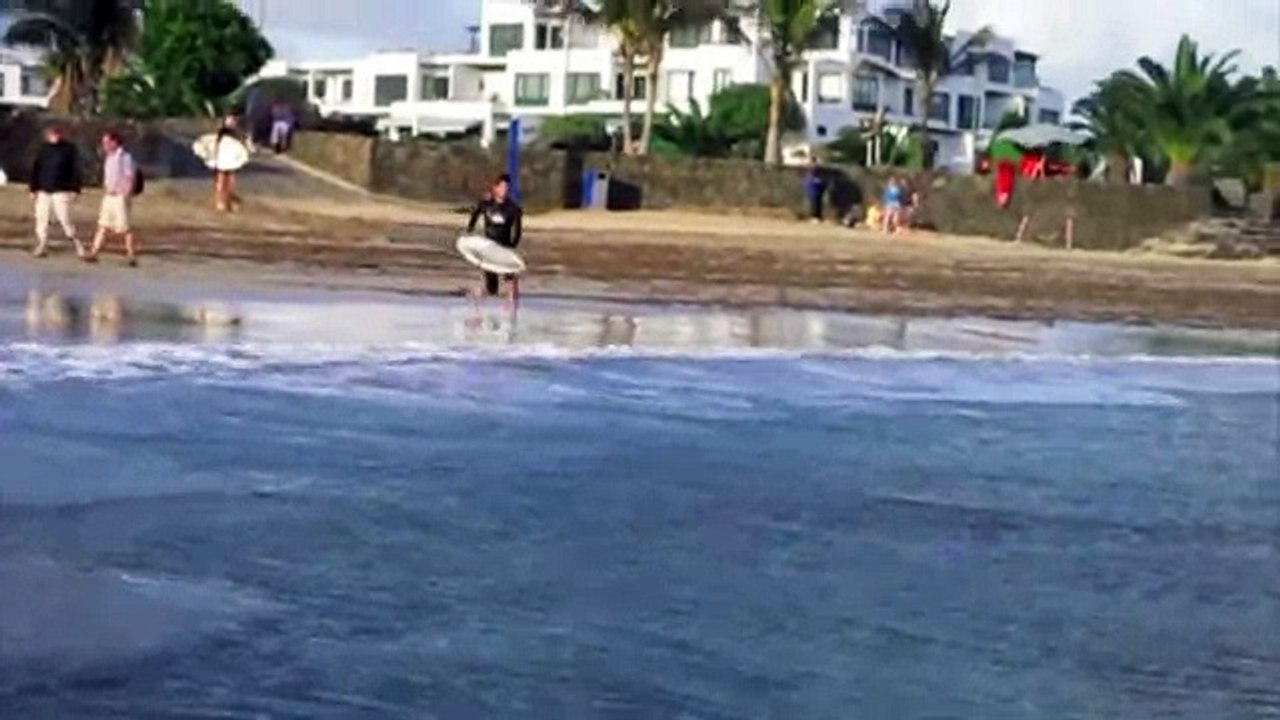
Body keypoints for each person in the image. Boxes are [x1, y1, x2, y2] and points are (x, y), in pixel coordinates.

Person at [466, 174, 523, 311]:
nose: (505, 190)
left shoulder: (513, 208)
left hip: (504, 249)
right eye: (502, 187)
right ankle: (475, 308)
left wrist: (511, 249)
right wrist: (470, 235)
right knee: (491, 289)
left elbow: (518, 232)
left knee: (510, 282)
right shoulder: (485, 205)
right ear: (495, 188)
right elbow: (472, 220)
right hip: (488, 250)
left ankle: (512, 313)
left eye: (507, 187)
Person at [28, 125, 84, 258]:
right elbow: (36, 168)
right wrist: (33, 188)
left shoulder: (69, 149)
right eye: (52, 134)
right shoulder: (43, 150)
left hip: (61, 189)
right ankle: (42, 245)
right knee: (41, 218)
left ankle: (77, 244)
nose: (55, 137)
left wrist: (75, 189)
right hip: (43, 190)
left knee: (64, 217)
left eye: (57, 134)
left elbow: (76, 170)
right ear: (47, 136)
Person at [86, 131, 139, 267]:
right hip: (109, 196)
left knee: (125, 227)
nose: (104, 145)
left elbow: (130, 176)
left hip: (120, 196)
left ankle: (131, 255)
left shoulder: (125, 157)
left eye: (107, 142)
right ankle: (94, 252)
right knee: (103, 225)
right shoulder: (109, 157)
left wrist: (126, 194)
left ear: (114, 142)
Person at [213, 114, 243, 212]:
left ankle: (228, 202)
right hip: (222, 160)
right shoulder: (221, 133)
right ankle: (220, 202)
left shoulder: (237, 134)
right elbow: (217, 146)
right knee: (221, 182)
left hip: (231, 161)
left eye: (233, 121)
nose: (231, 122)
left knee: (230, 183)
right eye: (229, 120)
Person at [804, 157, 827, 223]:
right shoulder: (811, 170)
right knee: (814, 203)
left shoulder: (818, 170)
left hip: (818, 189)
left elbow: (822, 180)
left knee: (818, 203)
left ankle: (818, 217)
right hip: (812, 189)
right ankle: (814, 217)